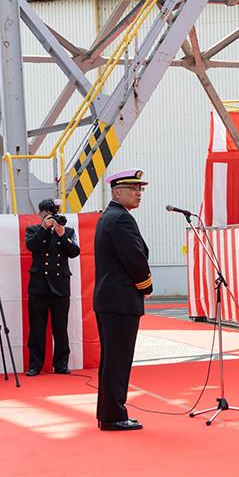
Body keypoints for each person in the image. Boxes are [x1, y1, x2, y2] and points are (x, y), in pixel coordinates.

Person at [94, 169, 153, 431]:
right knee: (118, 361)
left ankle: (109, 412)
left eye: (140, 189)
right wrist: (146, 285)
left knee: (112, 360)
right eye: (133, 189)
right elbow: (135, 259)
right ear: (117, 191)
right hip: (120, 300)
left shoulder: (111, 217)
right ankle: (113, 416)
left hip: (110, 300)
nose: (139, 193)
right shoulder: (121, 220)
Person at [24, 198, 81, 376]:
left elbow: (74, 252)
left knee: (61, 327)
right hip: (39, 287)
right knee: (37, 328)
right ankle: (35, 365)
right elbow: (31, 245)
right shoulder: (33, 230)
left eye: (53, 214)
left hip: (60, 287)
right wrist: (44, 228)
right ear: (40, 214)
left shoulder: (68, 231)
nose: (51, 218)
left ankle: (61, 364)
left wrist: (61, 233)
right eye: (47, 214)